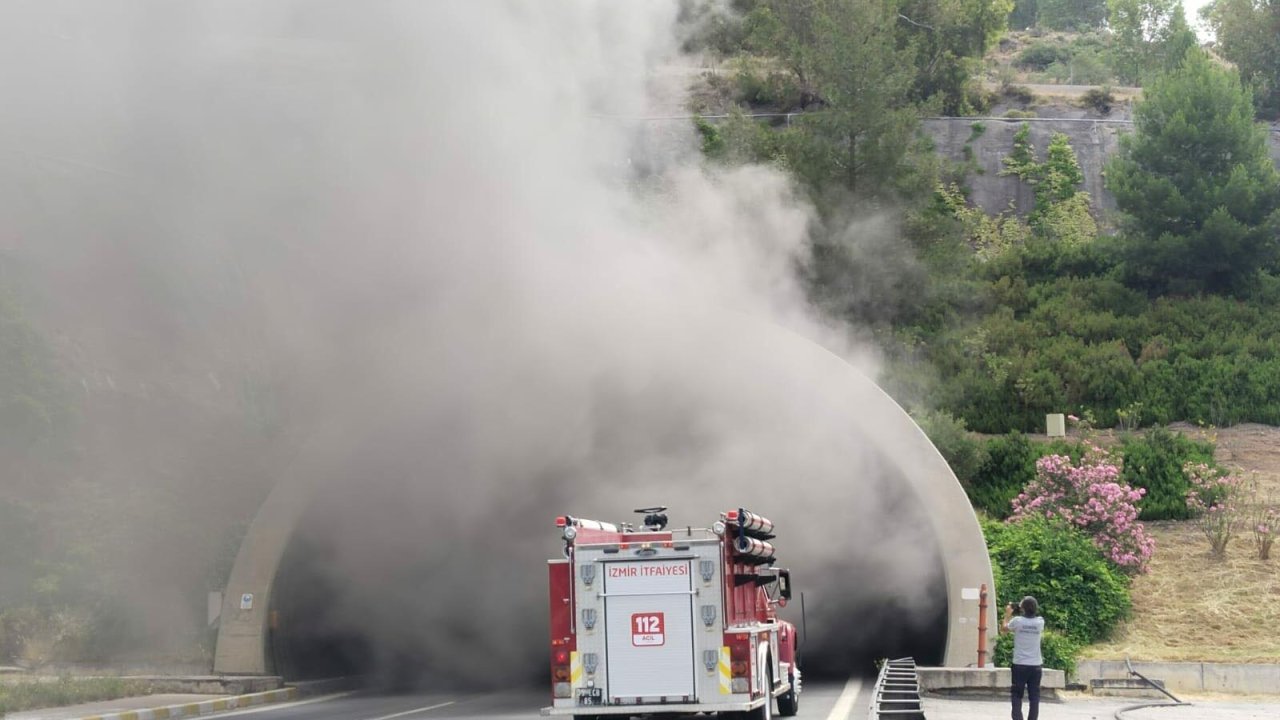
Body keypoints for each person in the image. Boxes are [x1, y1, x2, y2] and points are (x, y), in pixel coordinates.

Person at [1003, 595, 1045, 720]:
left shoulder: (1017, 621)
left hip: (1020, 664)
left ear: (1022, 608)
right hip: (1036, 665)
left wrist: (1007, 614)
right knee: (1034, 696)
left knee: (1016, 695)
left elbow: (1004, 630)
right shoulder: (1040, 622)